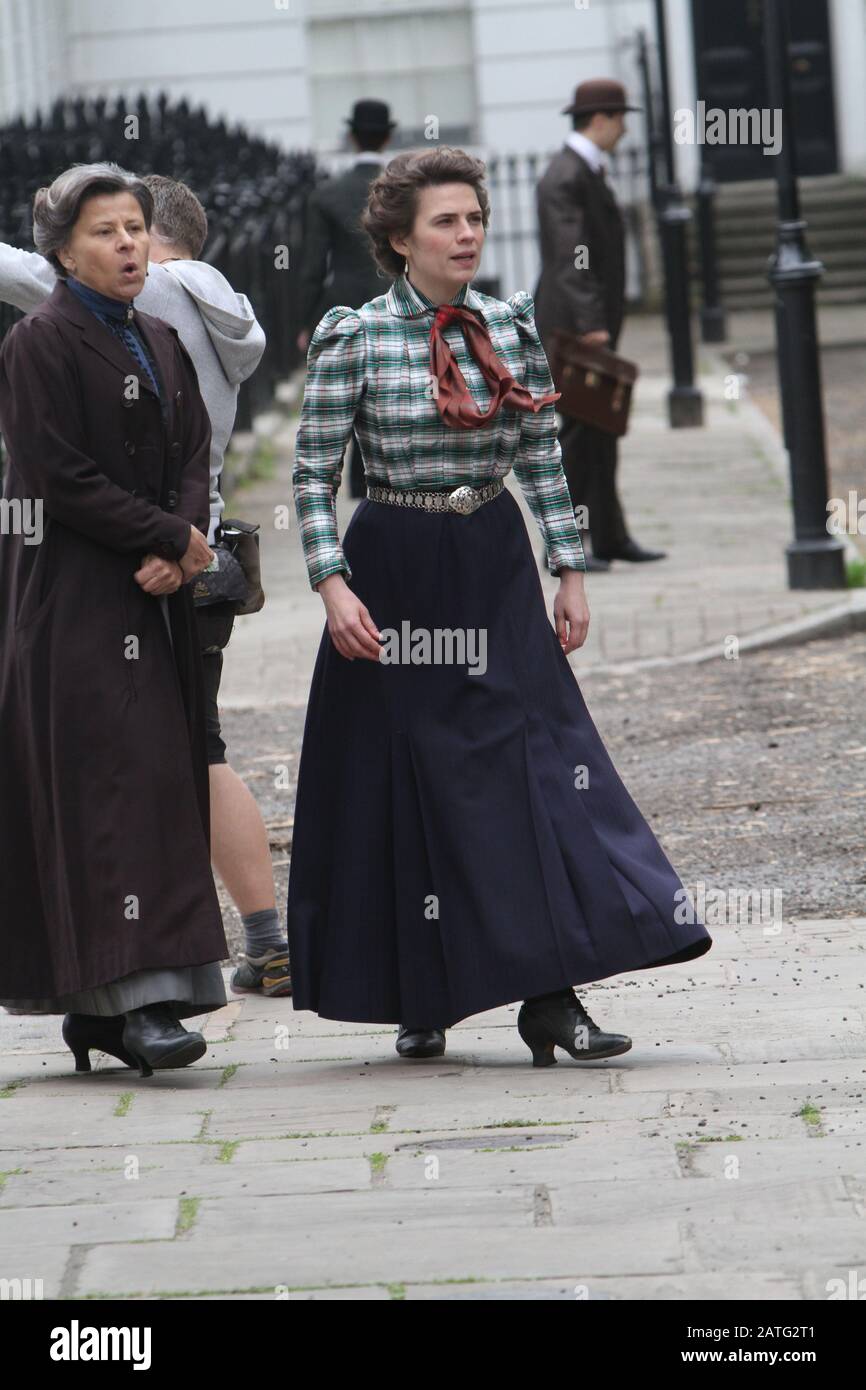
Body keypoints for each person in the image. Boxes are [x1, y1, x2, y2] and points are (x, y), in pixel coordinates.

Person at [286, 146, 711, 1064]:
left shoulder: (511, 328)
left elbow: (544, 460)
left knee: (534, 772)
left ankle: (551, 999)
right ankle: (419, 990)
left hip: (492, 561)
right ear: (400, 241)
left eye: (474, 217)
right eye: (447, 221)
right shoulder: (353, 339)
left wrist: (570, 568)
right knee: (408, 784)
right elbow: (313, 477)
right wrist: (330, 584)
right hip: (392, 570)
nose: (468, 232)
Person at [0, 168, 290, 1001]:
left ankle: (173, 974)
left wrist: (176, 540)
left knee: (168, 765)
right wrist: (177, 535)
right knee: (157, 760)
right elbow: (79, 467)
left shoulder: (151, 327)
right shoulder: (52, 341)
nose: (126, 245)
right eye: (106, 230)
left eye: (133, 228)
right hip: (137, 570)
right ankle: (160, 977)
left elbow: (182, 449)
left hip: (156, 571)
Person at [535, 78, 666, 571]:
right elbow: (572, 258)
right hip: (573, 327)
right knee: (579, 434)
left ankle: (609, 536)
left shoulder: (582, 171)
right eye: (621, 118)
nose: (625, 128)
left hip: (585, 323)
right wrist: (592, 323)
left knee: (601, 428)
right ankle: (564, 545)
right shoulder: (565, 176)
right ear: (601, 120)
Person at [296, 99, 397, 498]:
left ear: (351, 135)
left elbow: (311, 268)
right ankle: (381, 479)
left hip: (343, 307)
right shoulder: (401, 191)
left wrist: (306, 322)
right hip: (395, 300)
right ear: (388, 135)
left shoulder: (326, 196)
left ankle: (353, 488)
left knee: (349, 395)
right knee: (391, 393)